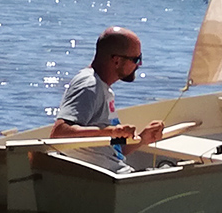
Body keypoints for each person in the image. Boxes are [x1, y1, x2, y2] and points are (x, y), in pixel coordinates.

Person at [50, 26, 164, 172]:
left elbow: (114, 150)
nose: (139, 65)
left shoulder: (103, 89)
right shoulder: (89, 85)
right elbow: (59, 133)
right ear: (116, 61)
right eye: (136, 59)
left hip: (117, 174)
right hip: (111, 179)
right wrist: (112, 132)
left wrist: (143, 138)